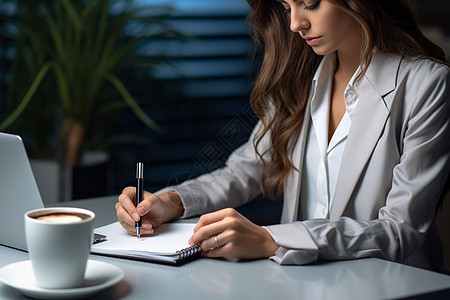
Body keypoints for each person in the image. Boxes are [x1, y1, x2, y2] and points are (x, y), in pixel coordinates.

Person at [116, 0, 450, 273]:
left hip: (394, 284)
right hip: (300, 281)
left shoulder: (427, 84)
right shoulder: (300, 78)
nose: (295, 24)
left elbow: (401, 229)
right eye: (287, 7)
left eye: (310, 4)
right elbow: (245, 170)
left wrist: (273, 240)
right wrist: (171, 202)